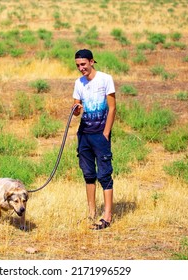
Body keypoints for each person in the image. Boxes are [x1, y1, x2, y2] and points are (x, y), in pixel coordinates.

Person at [72, 49, 116, 230]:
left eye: (83, 64)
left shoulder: (105, 79)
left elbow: (112, 108)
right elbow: (76, 111)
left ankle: (107, 216)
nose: (81, 68)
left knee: (104, 175)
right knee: (88, 174)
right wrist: (76, 108)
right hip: (84, 134)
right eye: (78, 65)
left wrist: (106, 133)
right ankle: (91, 213)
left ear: (91, 62)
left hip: (100, 135)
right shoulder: (78, 83)